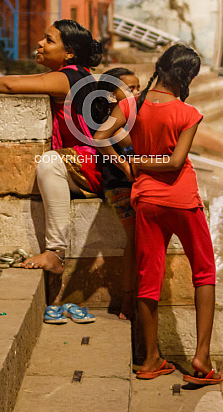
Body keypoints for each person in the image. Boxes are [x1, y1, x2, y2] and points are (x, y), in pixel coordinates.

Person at [94, 44, 222, 385]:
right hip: (183, 200)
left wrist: (127, 163)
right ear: (187, 76)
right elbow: (177, 162)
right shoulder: (188, 113)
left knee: (149, 278)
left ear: (159, 67)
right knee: (205, 273)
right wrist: (138, 162)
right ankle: (202, 358)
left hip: (146, 200)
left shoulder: (130, 105)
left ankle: (151, 359)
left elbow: (99, 136)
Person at [0, 19, 104, 276]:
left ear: (68, 52)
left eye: (49, 40)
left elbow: (11, 85)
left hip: (95, 165)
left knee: (50, 164)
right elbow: (22, 80)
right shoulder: (76, 74)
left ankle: (56, 252)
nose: (40, 43)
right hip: (92, 162)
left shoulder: (68, 78)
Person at [91, 67, 141, 320]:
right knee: (134, 242)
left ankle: (132, 299)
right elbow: (116, 142)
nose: (136, 93)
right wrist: (123, 164)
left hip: (134, 184)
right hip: (121, 185)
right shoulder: (114, 122)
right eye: (129, 89)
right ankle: (128, 299)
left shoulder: (127, 117)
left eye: (138, 88)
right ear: (112, 94)